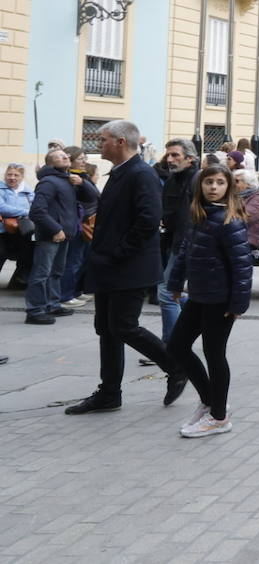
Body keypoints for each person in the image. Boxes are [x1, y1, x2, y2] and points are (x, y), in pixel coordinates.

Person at [66, 120, 188, 415]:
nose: (99, 144)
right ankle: (109, 393)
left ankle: (177, 368)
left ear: (121, 142)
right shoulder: (121, 172)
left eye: (104, 139)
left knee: (123, 326)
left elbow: (147, 222)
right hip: (109, 266)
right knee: (107, 329)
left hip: (128, 267)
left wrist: (117, 254)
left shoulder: (141, 174)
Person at [165, 165, 253, 438]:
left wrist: (238, 304)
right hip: (199, 295)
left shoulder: (230, 220)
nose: (213, 187)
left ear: (228, 187)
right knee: (177, 345)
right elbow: (184, 251)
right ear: (200, 185)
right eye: (208, 182)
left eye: (219, 183)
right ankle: (210, 400)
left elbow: (242, 267)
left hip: (220, 300)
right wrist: (176, 283)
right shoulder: (199, 215)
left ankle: (219, 416)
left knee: (214, 354)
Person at [26, 149, 81, 324]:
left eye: (66, 155)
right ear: (50, 163)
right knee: (42, 273)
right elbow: (36, 211)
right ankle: (35, 310)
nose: (66, 157)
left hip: (64, 235)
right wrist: (55, 229)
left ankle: (52, 304)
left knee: (56, 272)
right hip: (51, 236)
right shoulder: (49, 182)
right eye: (60, 156)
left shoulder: (67, 179)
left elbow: (91, 197)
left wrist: (82, 182)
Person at [156, 138, 199, 345]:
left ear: (190, 159)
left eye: (175, 155)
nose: (170, 159)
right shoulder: (173, 179)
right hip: (173, 242)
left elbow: (191, 218)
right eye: (168, 155)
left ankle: (170, 345)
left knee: (166, 293)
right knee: (174, 292)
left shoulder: (196, 179)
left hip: (186, 244)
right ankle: (203, 312)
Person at [59, 147, 99, 308]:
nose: (84, 161)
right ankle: (65, 295)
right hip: (76, 224)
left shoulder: (80, 176)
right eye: (81, 158)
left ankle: (74, 292)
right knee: (72, 262)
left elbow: (93, 195)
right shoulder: (68, 177)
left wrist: (83, 181)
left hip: (82, 224)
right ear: (71, 160)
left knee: (79, 261)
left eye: (85, 158)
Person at [0, 162, 34, 289]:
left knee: (26, 253)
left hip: (21, 230)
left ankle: (19, 281)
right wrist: (25, 212)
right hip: (2, 230)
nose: (12, 177)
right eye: (9, 174)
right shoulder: (1, 189)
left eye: (16, 175)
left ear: (22, 177)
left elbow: (35, 206)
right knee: (1, 253)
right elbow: (2, 208)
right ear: (5, 175)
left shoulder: (28, 192)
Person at [233, 169, 259, 251]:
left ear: (248, 184)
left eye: (236, 181)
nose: (233, 183)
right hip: (234, 239)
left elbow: (247, 217)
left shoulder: (257, 198)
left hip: (247, 241)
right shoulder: (235, 196)